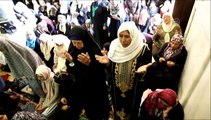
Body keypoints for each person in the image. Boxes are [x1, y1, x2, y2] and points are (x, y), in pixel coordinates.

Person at [95, 21, 152, 120]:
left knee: (131, 113)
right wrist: (108, 63)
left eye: (126, 36)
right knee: (117, 112)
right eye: (120, 36)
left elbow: (148, 73)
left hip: (134, 92)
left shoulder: (143, 50)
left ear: (133, 36)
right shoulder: (114, 47)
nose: (123, 40)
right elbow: (112, 70)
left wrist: (146, 70)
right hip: (116, 91)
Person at [64, 25, 110, 120]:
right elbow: (71, 69)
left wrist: (90, 64)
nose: (76, 45)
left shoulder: (94, 50)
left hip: (95, 89)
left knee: (97, 113)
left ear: (84, 40)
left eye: (79, 43)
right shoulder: (73, 49)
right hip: (82, 87)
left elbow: (101, 73)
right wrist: (71, 62)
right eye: (74, 43)